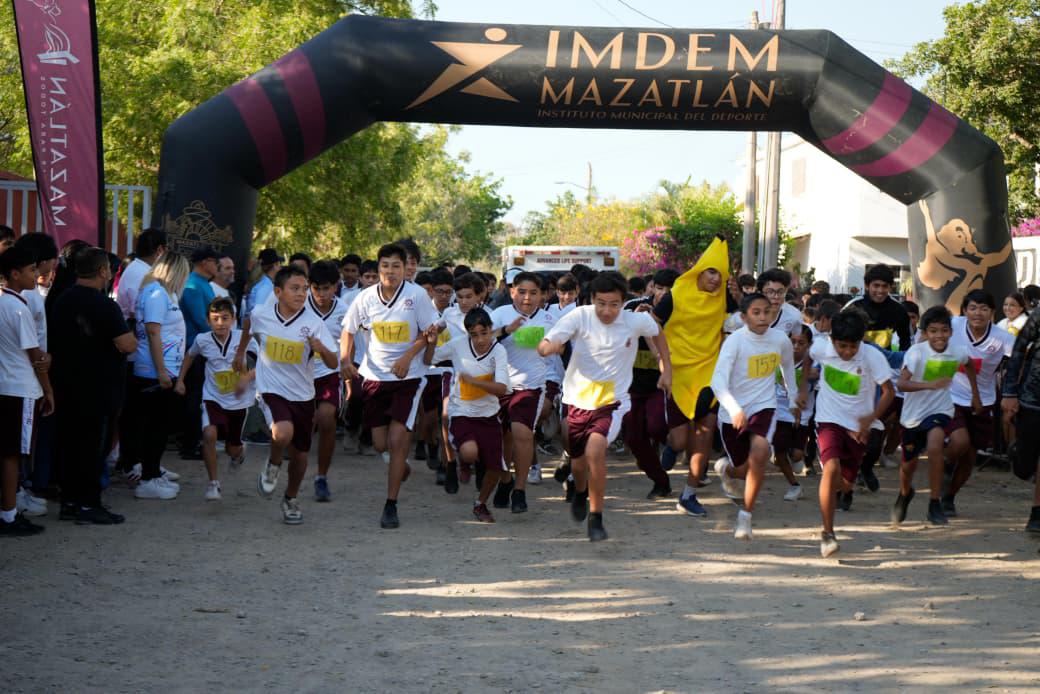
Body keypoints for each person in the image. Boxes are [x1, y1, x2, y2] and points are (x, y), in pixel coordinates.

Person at [539, 273, 670, 541]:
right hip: (577, 399)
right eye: (601, 303)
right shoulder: (579, 316)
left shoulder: (635, 320)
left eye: (614, 304)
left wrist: (666, 369)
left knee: (595, 450)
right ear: (590, 300)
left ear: (624, 302)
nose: (607, 311)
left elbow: (658, 333)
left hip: (613, 402)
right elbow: (551, 341)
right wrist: (547, 347)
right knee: (577, 462)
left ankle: (596, 517)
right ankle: (579, 490)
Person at [341, 243, 438, 529]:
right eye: (385, 266)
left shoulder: (416, 295)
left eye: (397, 265)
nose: (391, 271)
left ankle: (390, 505)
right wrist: (346, 359)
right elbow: (348, 329)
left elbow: (431, 329)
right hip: (373, 377)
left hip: (407, 379)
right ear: (378, 268)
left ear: (405, 267)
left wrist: (409, 356)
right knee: (380, 443)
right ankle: (401, 468)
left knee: (397, 441)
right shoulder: (365, 298)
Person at [50, 247, 136, 523]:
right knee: (91, 447)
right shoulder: (103, 305)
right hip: (97, 388)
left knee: (68, 444)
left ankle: (70, 501)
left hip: (65, 384)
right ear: (102, 271)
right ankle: (88, 503)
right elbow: (126, 344)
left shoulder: (62, 300)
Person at [249, 266, 338, 524]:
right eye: (294, 289)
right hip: (271, 390)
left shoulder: (313, 324)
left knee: (300, 456)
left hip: (302, 396)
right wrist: (240, 352)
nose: (301, 294)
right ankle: (273, 463)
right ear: (278, 292)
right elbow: (248, 327)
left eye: (303, 289)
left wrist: (321, 348)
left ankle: (290, 498)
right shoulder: (261, 315)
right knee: (282, 432)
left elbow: (333, 364)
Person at [711, 292, 802, 541]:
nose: (763, 317)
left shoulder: (780, 339)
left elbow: (787, 368)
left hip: (765, 406)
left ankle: (746, 517)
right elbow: (717, 381)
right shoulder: (735, 342)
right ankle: (727, 470)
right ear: (743, 317)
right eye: (756, 313)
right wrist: (734, 409)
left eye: (767, 312)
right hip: (732, 414)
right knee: (742, 470)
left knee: (761, 453)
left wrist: (793, 399)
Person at [653, 239, 732, 516]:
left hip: (709, 375)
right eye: (711, 272)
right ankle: (672, 448)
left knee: (704, 437)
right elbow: (653, 324)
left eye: (721, 275)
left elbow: (741, 319)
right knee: (680, 440)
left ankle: (688, 494)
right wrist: (661, 360)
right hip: (678, 374)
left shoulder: (725, 297)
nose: (715, 279)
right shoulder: (674, 296)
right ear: (699, 270)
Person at [810, 310, 894, 556]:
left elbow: (888, 391)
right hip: (828, 420)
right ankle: (828, 533)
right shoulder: (820, 348)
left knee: (846, 482)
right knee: (831, 468)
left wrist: (871, 419)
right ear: (832, 339)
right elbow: (807, 358)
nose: (847, 352)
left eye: (853, 346)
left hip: (858, 427)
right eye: (842, 346)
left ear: (861, 341)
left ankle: (844, 492)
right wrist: (805, 389)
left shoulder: (872, 357)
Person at [895, 306, 980, 526]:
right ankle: (905, 493)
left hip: (940, 410)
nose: (939, 336)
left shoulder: (957, 350)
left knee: (935, 446)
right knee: (908, 465)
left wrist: (975, 395)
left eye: (944, 330)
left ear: (951, 332)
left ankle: (934, 504)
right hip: (913, 416)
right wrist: (930, 385)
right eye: (933, 331)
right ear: (925, 333)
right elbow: (901, 383)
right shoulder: (917, 353)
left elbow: (969, 365)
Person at [427, 307, 509, 522]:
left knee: (496, 468)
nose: (481, 339)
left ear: (492, 330)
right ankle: (464, 460)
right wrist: (431, 341)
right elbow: (429, 358)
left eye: (484, 333)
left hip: (489, 414)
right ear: (467, 334)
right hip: (461, 410)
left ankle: (480, 504)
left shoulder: (499, 351)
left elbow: (501, 388)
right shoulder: (457, 345)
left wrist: (475, 382)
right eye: (474, 334)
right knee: (470, 451)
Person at [942, 291, 1015, 516]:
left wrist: (1011, 394)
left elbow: (1020, 361)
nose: (978, 313)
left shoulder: (1003, 338)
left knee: (970, 459)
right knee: (959, 441)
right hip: (951, 396)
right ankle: (944, 466)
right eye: (973, 308)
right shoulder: (952, 326)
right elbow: (925, 338)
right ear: (964, 310)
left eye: (984, 309)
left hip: (983, 402)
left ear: (993, 313)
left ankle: (949, 498)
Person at [175, 297, 255, 500]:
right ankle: (213, 483)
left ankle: (238, 452)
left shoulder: (243, 339)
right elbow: (189, 356)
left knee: (232, 448)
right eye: (215, 318)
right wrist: (181, 380)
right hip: (213, 397)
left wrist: (247, 377)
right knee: (209, 435)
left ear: (233, 319)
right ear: (208, 321)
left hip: (239, 401)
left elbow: (265, 360)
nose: (220, 323)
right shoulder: (202, 340)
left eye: (225, 318)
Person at [490, 270, 557, 514]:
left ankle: (519, 490)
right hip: (500, 386)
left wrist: (554, 348)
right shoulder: (499, 314)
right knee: (500, 437)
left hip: (531, 387)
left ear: (543, 295)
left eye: (533, 293)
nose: (527, 298)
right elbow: (482, 342)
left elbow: (557, 345)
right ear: (511, 292)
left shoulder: (549, 320)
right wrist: (506, 330)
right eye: (522, 292)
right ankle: (505, 480)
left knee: (522, 434)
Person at [128, 253, 190, 500]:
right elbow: (153, 333)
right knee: (156, 425)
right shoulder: (156, 294)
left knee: (159, 425)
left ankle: (151, 471)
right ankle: (148, 478)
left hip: (165, 368)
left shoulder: (163, 293)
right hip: (155, 371)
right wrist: (162, 372)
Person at [0, 246, 52, 536]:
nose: (37, 275)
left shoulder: (4, 303)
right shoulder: (18, 308)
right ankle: (8, 515)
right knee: (13, 456)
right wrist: (49, 390)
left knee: (7, 453)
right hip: (20, 389)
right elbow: (36, 357)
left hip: (6, 385)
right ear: (15, 273)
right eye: (31, 270)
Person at [113, 228, 166, 475]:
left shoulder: (137, 270)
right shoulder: (142, 274)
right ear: (160, 251)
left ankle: (138, 461)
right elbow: (142, 314)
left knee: (138, 412)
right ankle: (133, 462)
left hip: (139, 348)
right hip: (137, 350)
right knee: (138, 413)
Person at [305, 260, 348, 502]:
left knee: (326, 419)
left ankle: (321, 477)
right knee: (298, 428)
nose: (322, 294)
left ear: (336, 287)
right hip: (298, 374)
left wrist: (349, 367)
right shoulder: (298, 305)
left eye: (327, 288)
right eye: (317, 288)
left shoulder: (343, 310)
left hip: (329, 374)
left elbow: (349, 344)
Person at [437, 272, 486, 487]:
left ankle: (478, 462)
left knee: (482, 421)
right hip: (453, 372)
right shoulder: (449, 313)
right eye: (460, 296)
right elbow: (435, 327)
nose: (464, 301)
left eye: (468, 296)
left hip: (483, 377)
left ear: (479, 296)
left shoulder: (489, 317)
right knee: (446, 416)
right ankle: (450, 463)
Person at [1001, 307, 1040, 534]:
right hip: (1032, 398)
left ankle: (1037, 511)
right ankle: (1018, 452)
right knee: (1024, 467)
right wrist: (1009, 393)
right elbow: (1017, 352)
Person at [179, 247, 219, 460]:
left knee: (200, 397)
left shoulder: (202, 284)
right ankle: (189, 444)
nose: (217, 267)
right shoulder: (193, 285)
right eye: (215, 262)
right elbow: (200, 319)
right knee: (194, 398)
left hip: (204, 348)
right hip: (195, 350)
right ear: (205, 262)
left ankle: (196, 441)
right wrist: (220, 338)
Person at [771, 325, 816, 500]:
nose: (796, 346)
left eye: (801, 343)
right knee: (780, 450)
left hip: (802, 415)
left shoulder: (813, 365)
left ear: (809, 345)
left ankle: (796, 458)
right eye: (793, 342)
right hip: (779, 412)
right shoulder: (776, 358)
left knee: (797, 454)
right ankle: (794, 485)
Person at [846, 264, 912, 351]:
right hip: (857, 362)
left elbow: (906, 341)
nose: (880, 291)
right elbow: (838, 337)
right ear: (867, 285)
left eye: (885, 286)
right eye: (876, 286)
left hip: (885, 362)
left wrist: (902, 361)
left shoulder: (898, 309)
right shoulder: (853, 306)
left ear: (890, 287)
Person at [757, 268, 803, 336]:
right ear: (761, 293)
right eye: (770, 292)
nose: (776, 297)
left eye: (780, 292)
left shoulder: (794, 316)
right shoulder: (750, 314)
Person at [243, 248, 283, 322]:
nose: (280, 267)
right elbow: (259, 314)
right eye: (279, 263)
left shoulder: (265, 283)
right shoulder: (265, 286)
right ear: (275, 265)